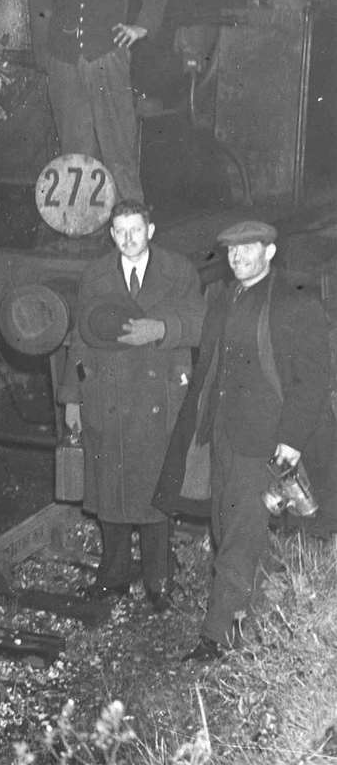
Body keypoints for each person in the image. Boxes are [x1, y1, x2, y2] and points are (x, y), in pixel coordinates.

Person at [155, 221, 335, 661]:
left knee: (239, 533)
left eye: (247, 249)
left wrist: (291, 439)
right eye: (231, 251)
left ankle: (219, 636)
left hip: (266, 440)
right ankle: (244, 612)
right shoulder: (222, 295)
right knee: (224, 524)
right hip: (222, 432)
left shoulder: (295, 301)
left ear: (269, 252)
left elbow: (312, 379)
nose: (236, 258)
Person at [60, 200, 204, 609]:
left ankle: (159, 580)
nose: (127, 239)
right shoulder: (96, 274)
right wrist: (71, 397)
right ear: (111, 235)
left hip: (160, 395)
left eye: (135, 230)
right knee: (111, 491)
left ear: (151, 230)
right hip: (107, 394)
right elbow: (80, 336)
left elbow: (200, 322)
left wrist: (163, 329)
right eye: (120, 232)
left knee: (158, 491)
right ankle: (114, 576)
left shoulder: (179, 271)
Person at [30, 0, 170, 202]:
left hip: (107, 58)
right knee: (74, 151)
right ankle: (79, 228)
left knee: (118, 145)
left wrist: (141, 26)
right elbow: (39, 9)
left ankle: (130, 218)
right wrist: (47, 61)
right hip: (63, 62)